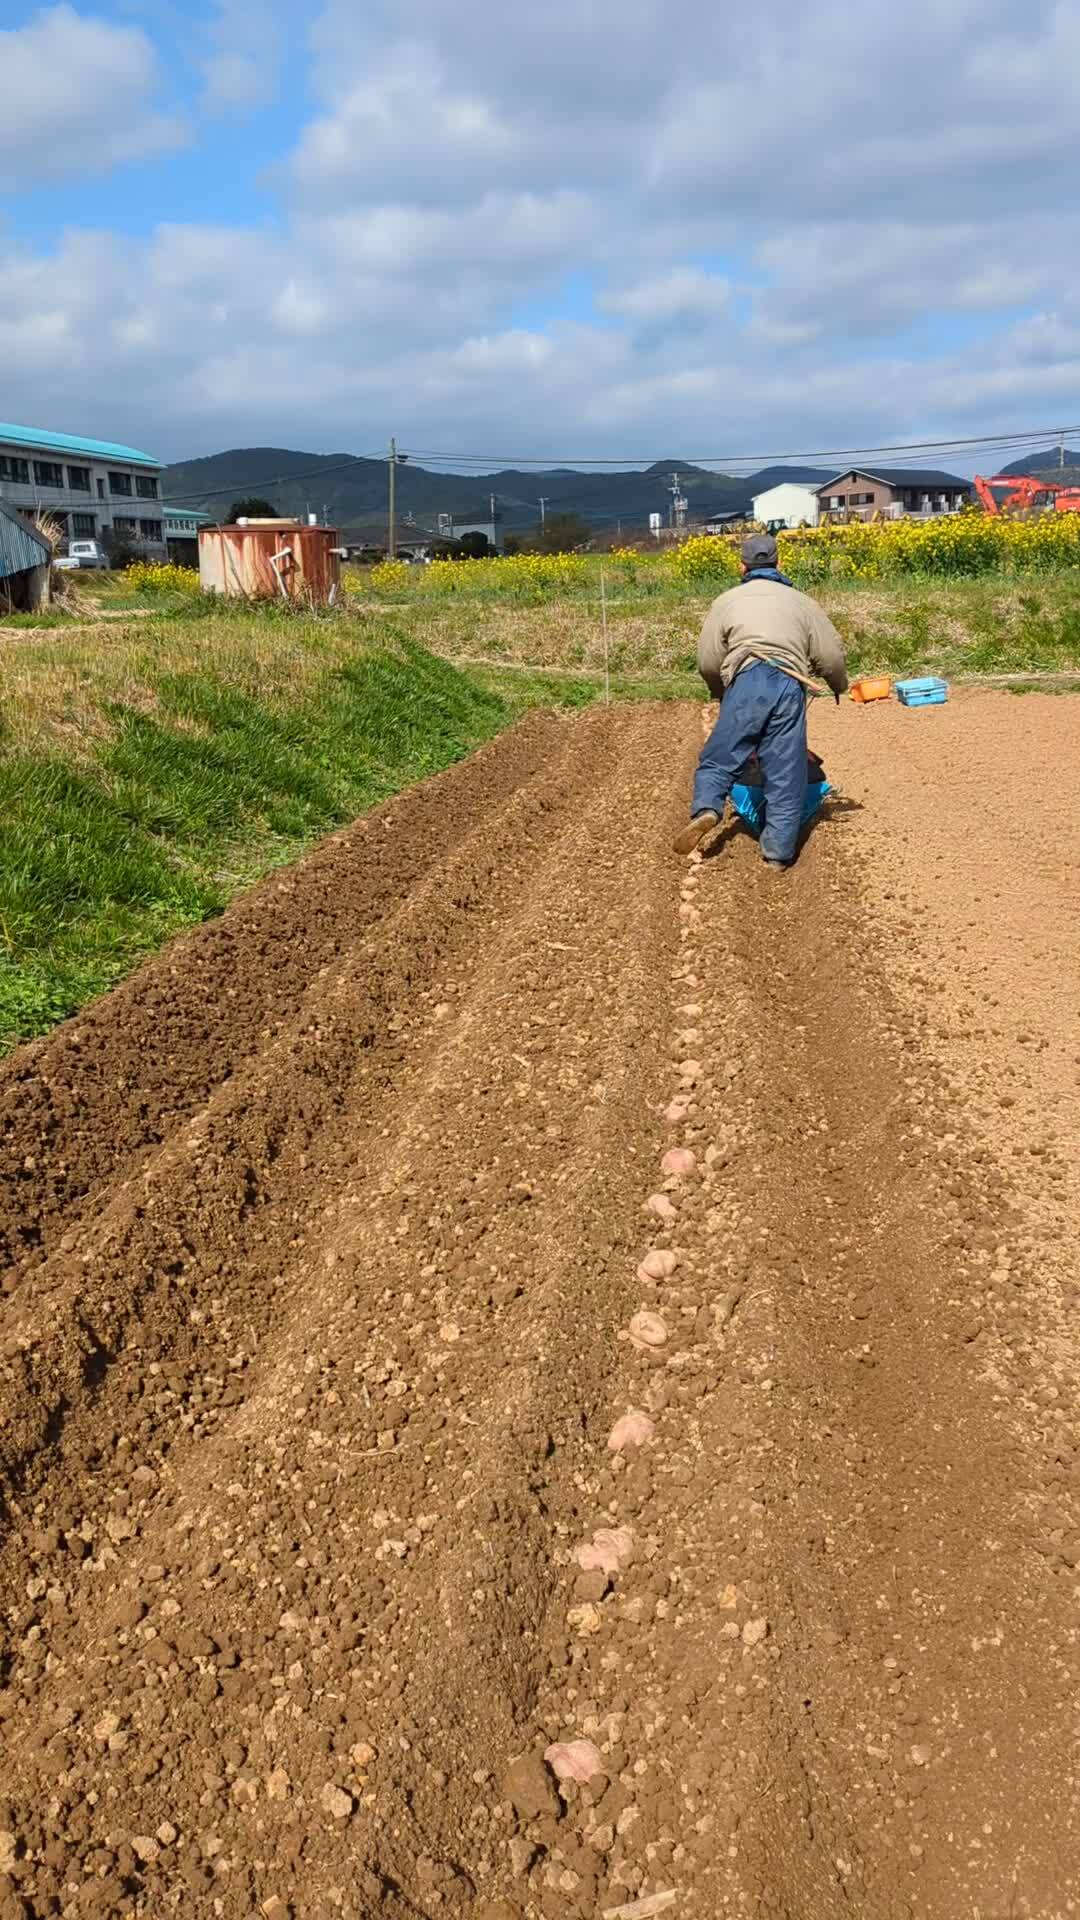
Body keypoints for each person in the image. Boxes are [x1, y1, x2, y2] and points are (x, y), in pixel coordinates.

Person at [673, 533, 848, 867]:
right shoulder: (801, 602)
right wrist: (838, 684)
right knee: (785, 770)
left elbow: (708, 659)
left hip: (746, 678)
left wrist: (720, 690)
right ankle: (778, 855)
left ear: (742, 566)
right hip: (789, 683)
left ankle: (708, 808)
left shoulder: (727, 601)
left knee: (719, 758)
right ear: (779, 563)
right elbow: (831, 655)